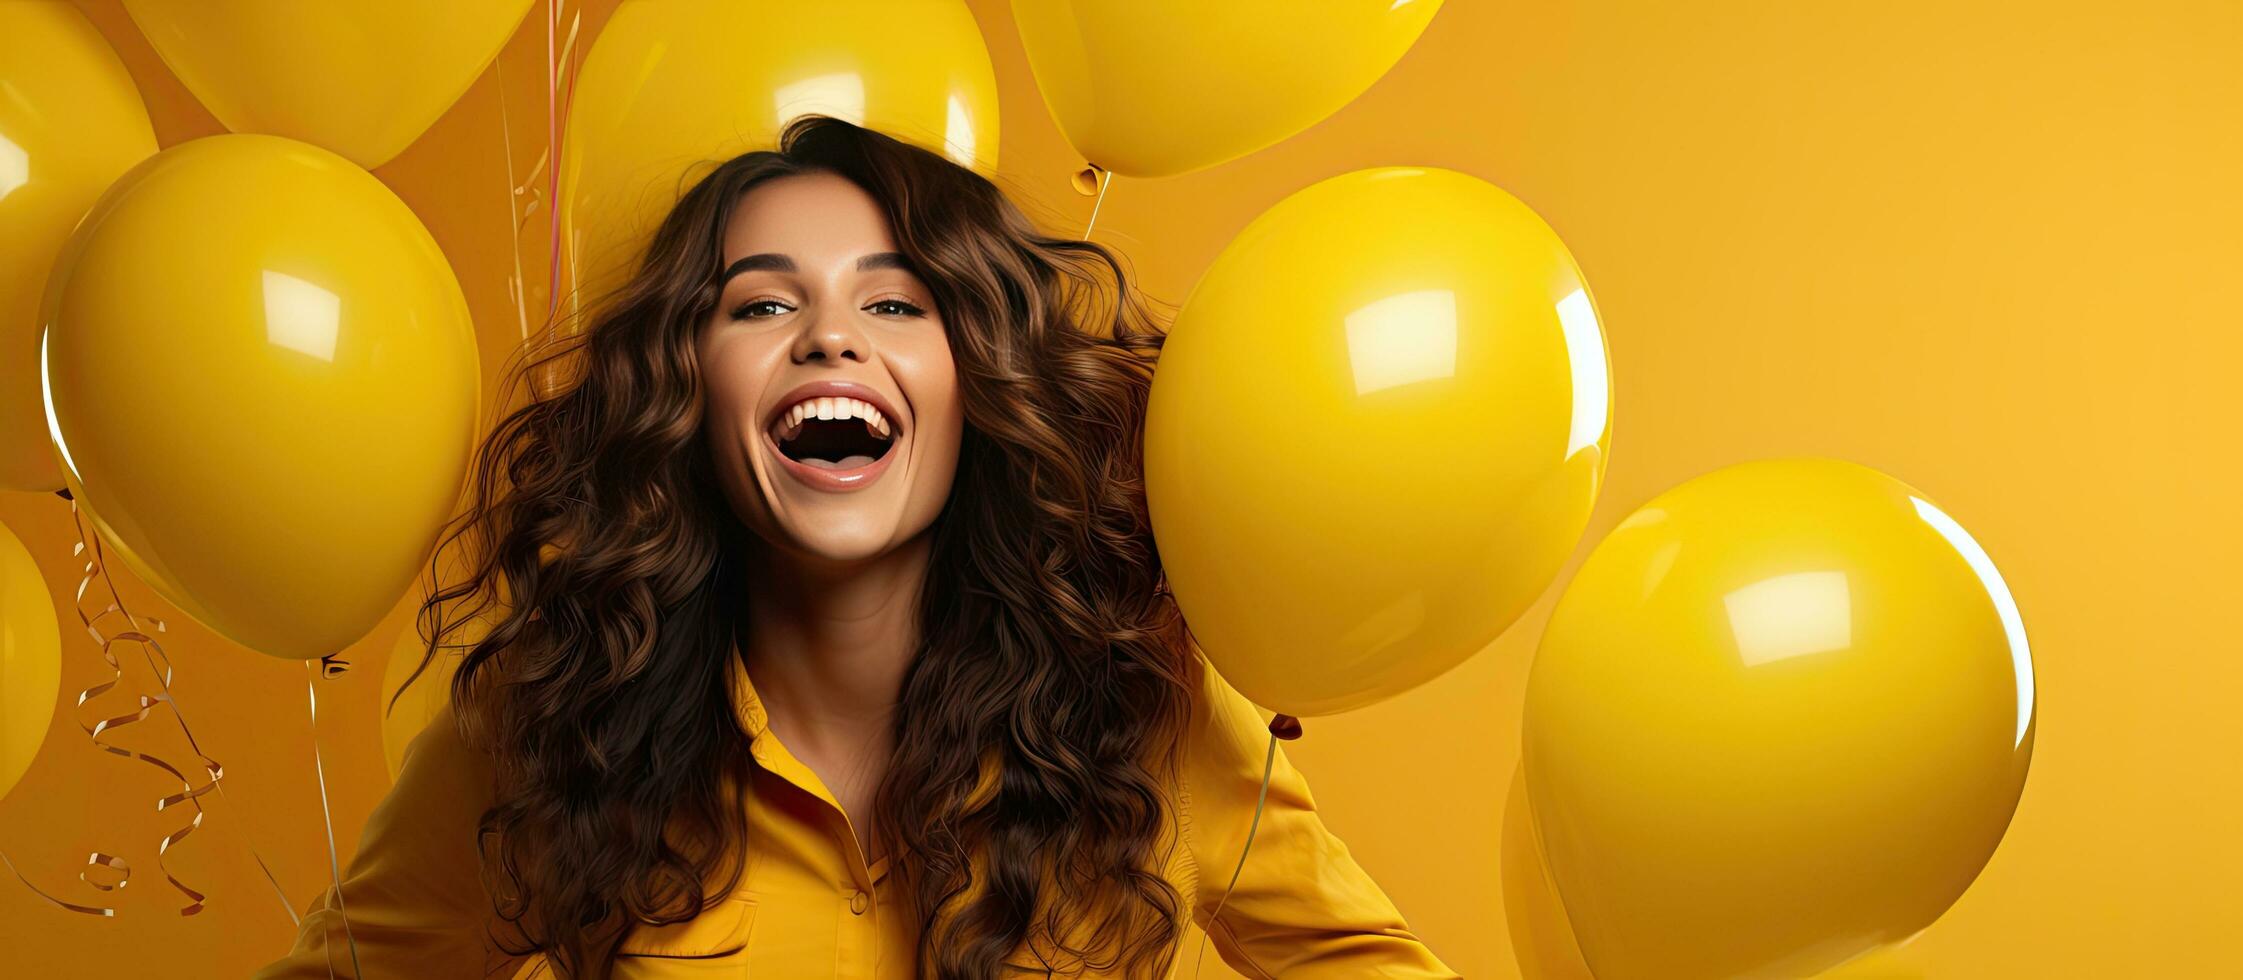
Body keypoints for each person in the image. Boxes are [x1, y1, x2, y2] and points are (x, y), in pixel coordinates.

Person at [256, 114, 1459, 980]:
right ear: (686, 383)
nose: (830, 337)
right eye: (762, 303)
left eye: (893, 303)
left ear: (976, 379)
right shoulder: (546, 723)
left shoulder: (1148, 714)